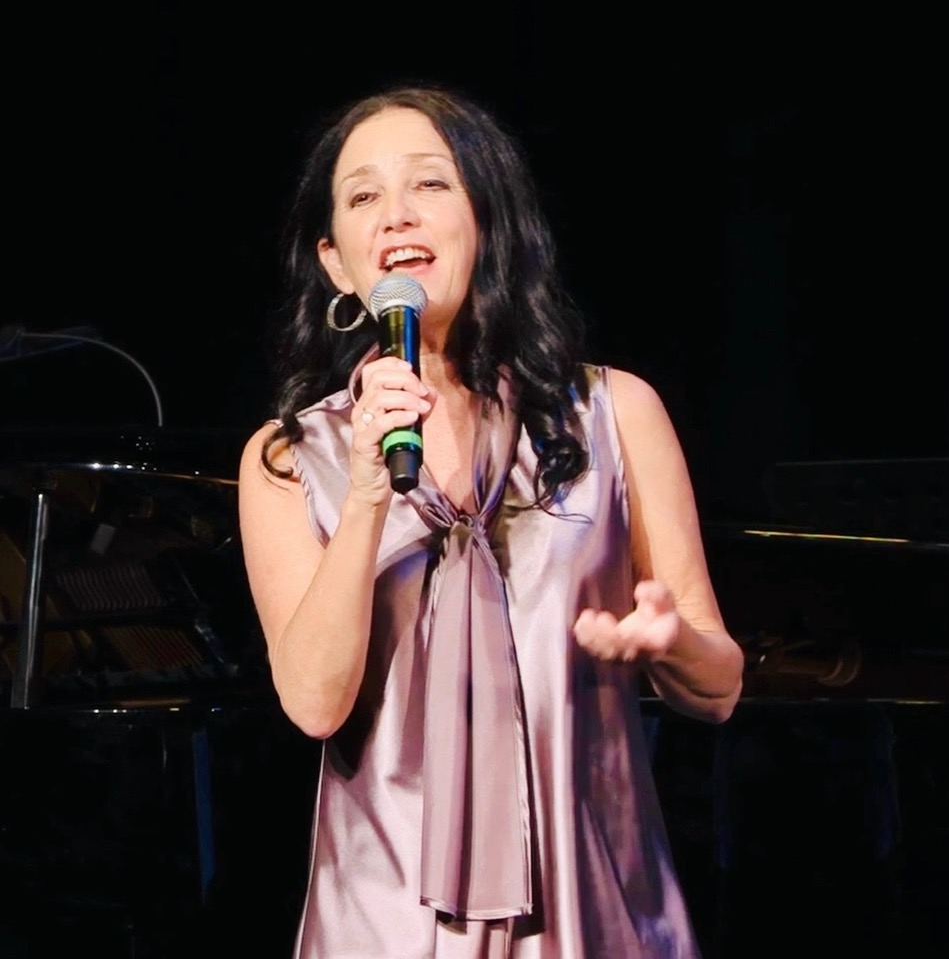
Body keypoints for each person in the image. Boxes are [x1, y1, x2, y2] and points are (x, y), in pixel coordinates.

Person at [237, 83, 745, 959]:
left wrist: (670, 642)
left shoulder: (613, 415)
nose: (396, 214)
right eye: (363, 196)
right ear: (336, 264)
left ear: (486, 216)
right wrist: (366, 495)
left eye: (430, 184)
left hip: (587, 905)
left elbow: (720, 687)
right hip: (384, 917)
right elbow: (314, 704)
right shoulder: (286, 459)